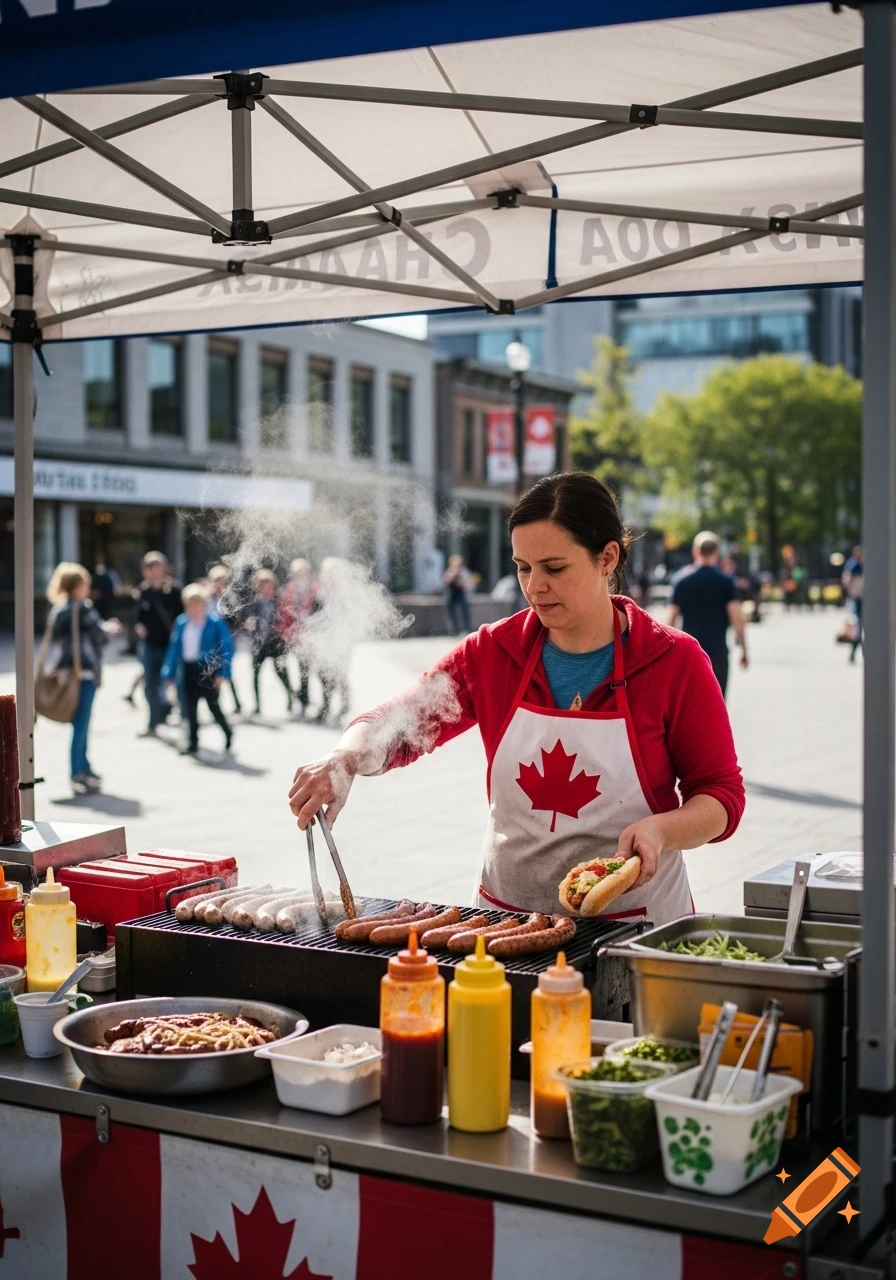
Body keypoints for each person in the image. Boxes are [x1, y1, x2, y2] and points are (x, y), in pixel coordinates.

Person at [289, 473, 745, 927]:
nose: (534, 587)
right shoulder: (493, 651)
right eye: (523, 567)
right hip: (507, 920)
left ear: (607, 557)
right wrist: (345, 757)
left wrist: (661, 830)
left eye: (554, 567)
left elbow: (720, 797)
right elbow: (402, 720)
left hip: (635, 921)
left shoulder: (674, 660)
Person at [45, 562, 115, 794]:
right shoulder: (84, 608)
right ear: (77, 585)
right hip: (83, 673)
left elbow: (55, 640)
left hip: (65, 674)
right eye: (85, 582)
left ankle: (84, 765)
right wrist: (110, 628)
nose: (88, 586)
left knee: (80, 722)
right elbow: (100, 636)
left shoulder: (58, 609)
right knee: (82, 723)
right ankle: (78, 771)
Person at [668, 532, 748, 699]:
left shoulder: (681, 581)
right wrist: (744, 650)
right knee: (717, 708)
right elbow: (737, 619)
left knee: (689, 710)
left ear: (695, 552)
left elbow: (671, 620)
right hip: (717, 654)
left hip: (690, 657)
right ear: (716, 553)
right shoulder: (726, 582)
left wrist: (668, 656)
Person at [162, 585, 234, 756]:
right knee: (189, 707)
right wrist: (169, 673)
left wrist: (223, 673)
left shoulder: (214, 622)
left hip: (207, 669)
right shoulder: (182, 622)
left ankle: (228, 733)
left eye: (196, 603)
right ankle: (193, 742)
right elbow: (174, 648)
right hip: (188, 669)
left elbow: (227, 648)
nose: (192, 608)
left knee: (213, 706)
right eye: (188, 604)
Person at [135, 552, 182, 737]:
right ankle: (154, 721)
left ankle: (182, 716)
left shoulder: (174, 590)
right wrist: (139, 627)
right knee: (150, 685)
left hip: (170, 645)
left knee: (174, 683)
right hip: (150, 645)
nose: (154, 571)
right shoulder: (143, 592)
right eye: (150, 567)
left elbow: (181, 617)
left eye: (157, 567)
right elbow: (138, 616)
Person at [247, 569, 293, 715]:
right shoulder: (256, 602)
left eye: (267, 584)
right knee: (254, 674)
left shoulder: (280, 600)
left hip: (276, 642)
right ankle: (257, 705)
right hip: (259, 643)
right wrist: (250, 623)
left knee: (281, 673)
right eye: (261, 584)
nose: (265, 587)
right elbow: (250, 617)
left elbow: (287, 618)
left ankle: (290, 698)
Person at [278, 558, 318, 714]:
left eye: (302, 571)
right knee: (293, 669)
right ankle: (300, 699)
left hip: (311, 637)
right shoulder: (288, 590)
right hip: (292, 637)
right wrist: (286, 633)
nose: (299, 575)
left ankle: (305, 701)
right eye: (296, 572)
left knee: (306, 671)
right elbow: (283, 614)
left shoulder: (315, 589)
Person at [208, 564, 243, 714]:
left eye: (222, 580)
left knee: (226, 670)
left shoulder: (231, 598)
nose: (219, 584)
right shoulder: (208, 597)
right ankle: (217, 703)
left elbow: (236, 619)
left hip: (227, 639)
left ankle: (234, 702)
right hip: (212, 640)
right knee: (215, 671)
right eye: (216, 580)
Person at [842, 544, 864, 663]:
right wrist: (855, 592)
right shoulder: (854, 564)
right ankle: (854, 653)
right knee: (858, 627)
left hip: (863, 599)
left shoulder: (862, 564)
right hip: (857, 599)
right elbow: (847, 579)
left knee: (862, 628)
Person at [443, 555, 473, 634]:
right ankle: (454, 629)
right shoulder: (449, 572)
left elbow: (465, 585)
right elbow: (445, 582)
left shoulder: (464, 572)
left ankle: (466, 628)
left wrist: (458, 579)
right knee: (451, 613)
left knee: (464, 611)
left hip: (460, 594)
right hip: (451, 595)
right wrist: (452, 576)